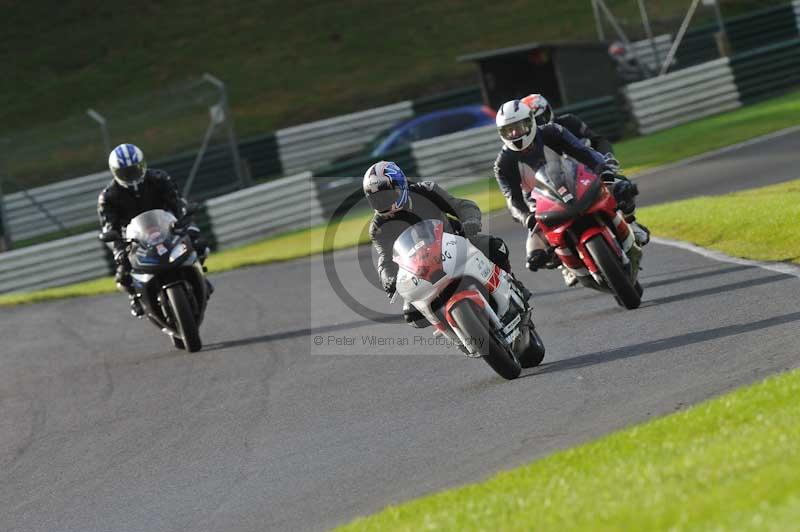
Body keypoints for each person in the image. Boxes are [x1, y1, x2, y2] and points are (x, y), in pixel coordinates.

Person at [492, 99, 648, 280]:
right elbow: (512, 200)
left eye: (519, 126)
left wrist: (603, 169)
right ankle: (566, 263)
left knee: (622, 187)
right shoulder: (502, 164)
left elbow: (583, 151)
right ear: (501, 133)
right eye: (508, 130)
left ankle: (630, 223)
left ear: (530, 122)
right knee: (534, 254)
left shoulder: (553, 131)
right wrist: (526, 217)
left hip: (575, 179)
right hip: (539, 201)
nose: (515, 133)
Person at [364, 160, 529, 328]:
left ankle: (513, 286)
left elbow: (462, 206)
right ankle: (454, 333)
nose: (382, 203)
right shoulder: (378, 227)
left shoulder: (427, 191)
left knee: (495, 248)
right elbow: (385, 258)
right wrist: (388, 279)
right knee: (412, 315)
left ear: (401, 185)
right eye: (376, 199)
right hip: (420, 268)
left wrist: (470, 221)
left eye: (386, 196)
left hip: (455, 245)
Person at [97, 143, 210, 317]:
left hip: (167, 224)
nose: (132, 176)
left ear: (143, 165)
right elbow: (109, 226)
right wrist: (119, 249)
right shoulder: (109, 196)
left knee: (199, 243)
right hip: (134, 237)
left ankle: (200, 276)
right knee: (122, 275)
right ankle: (135, 297)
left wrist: (182, 219)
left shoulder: (159, 178)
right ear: (115, 172)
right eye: (126, 173)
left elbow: (177, 202)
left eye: (135, 170)